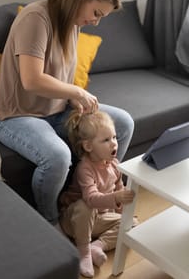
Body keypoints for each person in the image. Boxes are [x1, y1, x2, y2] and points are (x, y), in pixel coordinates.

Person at [0, 0, 134, 226]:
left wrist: (73, 100)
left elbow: (60, 75)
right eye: (96, 13)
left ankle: (92, 196)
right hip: (17, 115)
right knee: (58, 157)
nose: (96, 22)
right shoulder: (37, 17)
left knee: (122, 123)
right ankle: (51, 222)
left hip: (58, 111)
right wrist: (77, 91)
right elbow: (31, 79)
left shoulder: (73, 22)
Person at [59, 110, 136, 278]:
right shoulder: (85, 169)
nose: (114, 143)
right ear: (88, 146)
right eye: (106, 140)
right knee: (86, 206)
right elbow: (91, 199)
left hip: (99, 220)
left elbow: (118, 187)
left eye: (114, 137)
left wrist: (123, 212)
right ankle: (84, 252)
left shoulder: (114, 164)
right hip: (75, 221)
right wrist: (115, 198)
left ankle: (98, 246)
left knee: (132, 224)